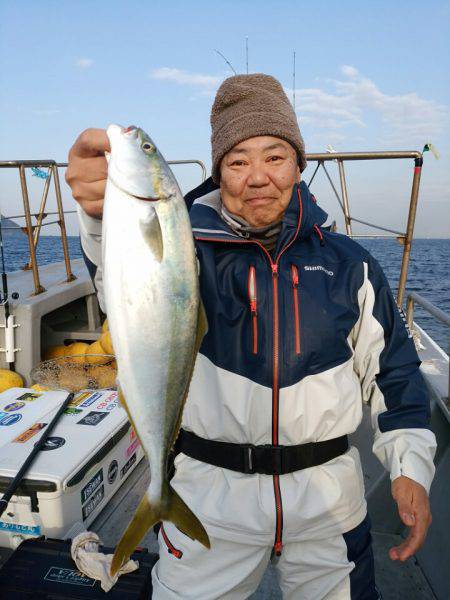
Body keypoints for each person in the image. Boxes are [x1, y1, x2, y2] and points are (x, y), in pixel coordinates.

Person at [66, 74, 436, 599]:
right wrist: (101, 215)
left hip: (329, 504)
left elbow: (395, 375)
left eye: (275, 156)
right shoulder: (183, 253)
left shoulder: (349, 264)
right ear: (219, 173)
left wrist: (410, 469)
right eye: (238, 162)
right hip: (206, 497)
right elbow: (125, 277)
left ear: (299, 164)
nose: (258, 177)